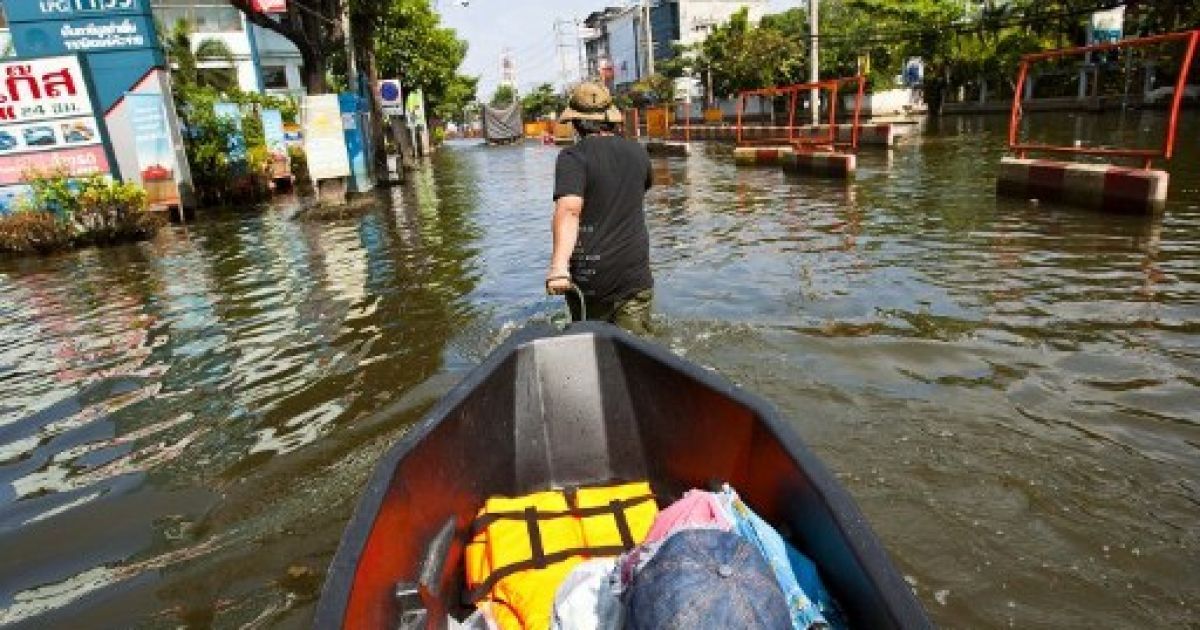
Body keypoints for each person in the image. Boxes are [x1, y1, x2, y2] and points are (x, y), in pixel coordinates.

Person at [545, 82, 654, 334]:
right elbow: (639, 191)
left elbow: (569, 211)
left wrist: (559, 267)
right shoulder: (638, 153)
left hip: (592, 282)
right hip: (634, 277)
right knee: (637, 351)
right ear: (611, 119)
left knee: (590, 348)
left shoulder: (573, 157)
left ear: (575, 123)